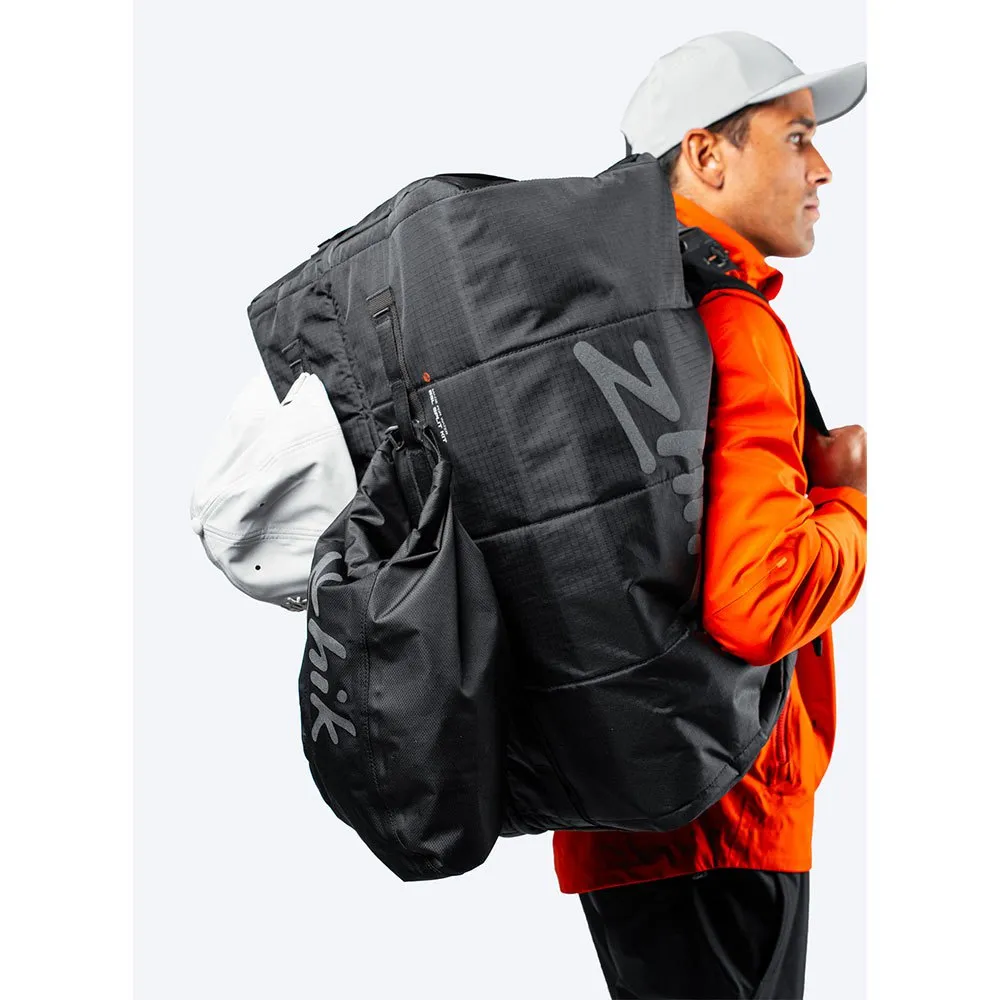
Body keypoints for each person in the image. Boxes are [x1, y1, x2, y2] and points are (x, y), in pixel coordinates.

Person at [552, 32, 868, 999]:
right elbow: (757, 601)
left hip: (617, 806)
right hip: (728, 815)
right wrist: (850, 499)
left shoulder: (606, 322)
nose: (822, 167)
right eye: (796, 137)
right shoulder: (732, 321)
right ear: (705, 154)